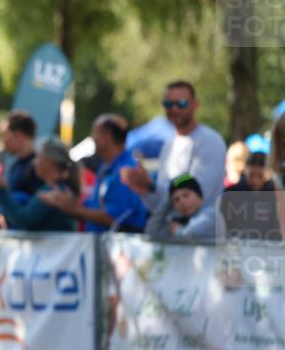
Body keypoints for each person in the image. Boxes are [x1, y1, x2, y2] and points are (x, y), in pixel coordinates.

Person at [121, 80, 227, 212]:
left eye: (181, 103)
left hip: (202, 231)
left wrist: (152, 187)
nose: (174, 109)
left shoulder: (210, 141)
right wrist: (147, 188)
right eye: (168, 104)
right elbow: (160, 205)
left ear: (195, 105)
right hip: (172, 230)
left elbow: (198, 198)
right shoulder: (169, 145)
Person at [39, 114, 147, 232]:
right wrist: (67, 202)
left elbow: (112, 217)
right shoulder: (106, 169)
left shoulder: (126, 171)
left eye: (95, 133)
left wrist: (72, 209)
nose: (92, 138)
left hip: (120, 247)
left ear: (106, 137)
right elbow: (93, 206)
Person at [0, 137, 77, 232]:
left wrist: (0, 191)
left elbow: (24, 221)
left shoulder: (53, 192)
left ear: (48, 162)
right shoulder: (60, 189)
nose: (34, 163)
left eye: (38, 157)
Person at [146, 173, 218, 239]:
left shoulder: (211, 214)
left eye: (186, 195)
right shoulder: (181, 222)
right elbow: (152, 232)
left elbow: (191, 233)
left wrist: (177, 230)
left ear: (199, 194)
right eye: (176, 200)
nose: (182, 202)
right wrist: (167, 201)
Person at [0, 110, 40, 197]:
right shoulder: (15, 166)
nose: (3, 140)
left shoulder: (40, 168)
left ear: (19, 135)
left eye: (4, 135)